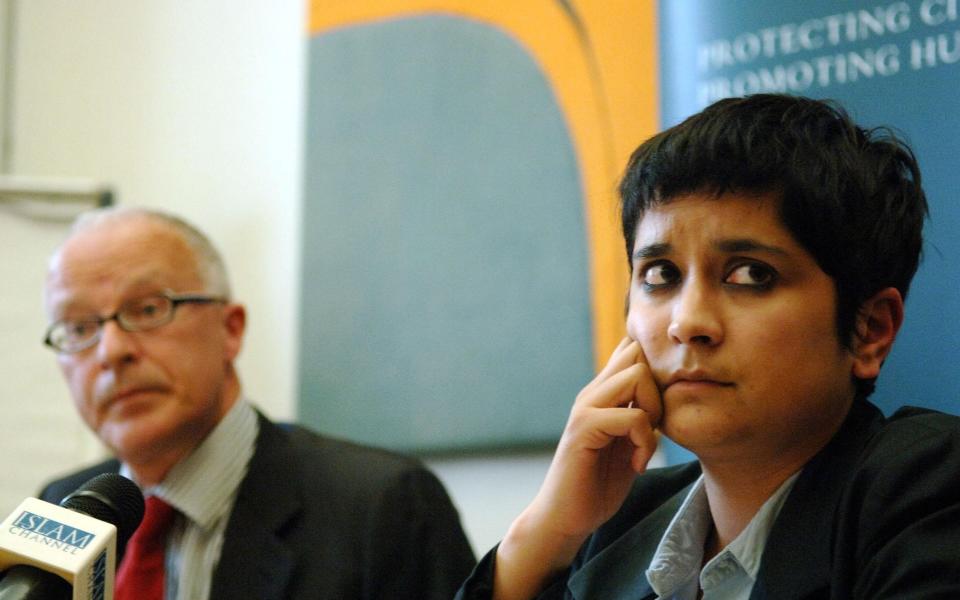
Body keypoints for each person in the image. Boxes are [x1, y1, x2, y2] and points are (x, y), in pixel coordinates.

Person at [456, 94, 960, 600]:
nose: (687, 322)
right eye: (661, 275)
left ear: (869, 329)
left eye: (750, 274)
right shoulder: (615, 522)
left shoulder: (929, 492)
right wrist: (545, 533)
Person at [39, 207, 476, 600]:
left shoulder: (383, 508)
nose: (111, 352)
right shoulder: (62, 509)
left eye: (149, 309)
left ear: (230, 330)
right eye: (78, 328)